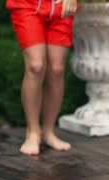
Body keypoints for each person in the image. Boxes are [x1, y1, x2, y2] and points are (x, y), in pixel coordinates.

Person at [6, 0, 78, 155]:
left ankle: (48, 132)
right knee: (35, 66)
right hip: (27, 5)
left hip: (61, 6)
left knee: (57, 69)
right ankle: (33, 132)